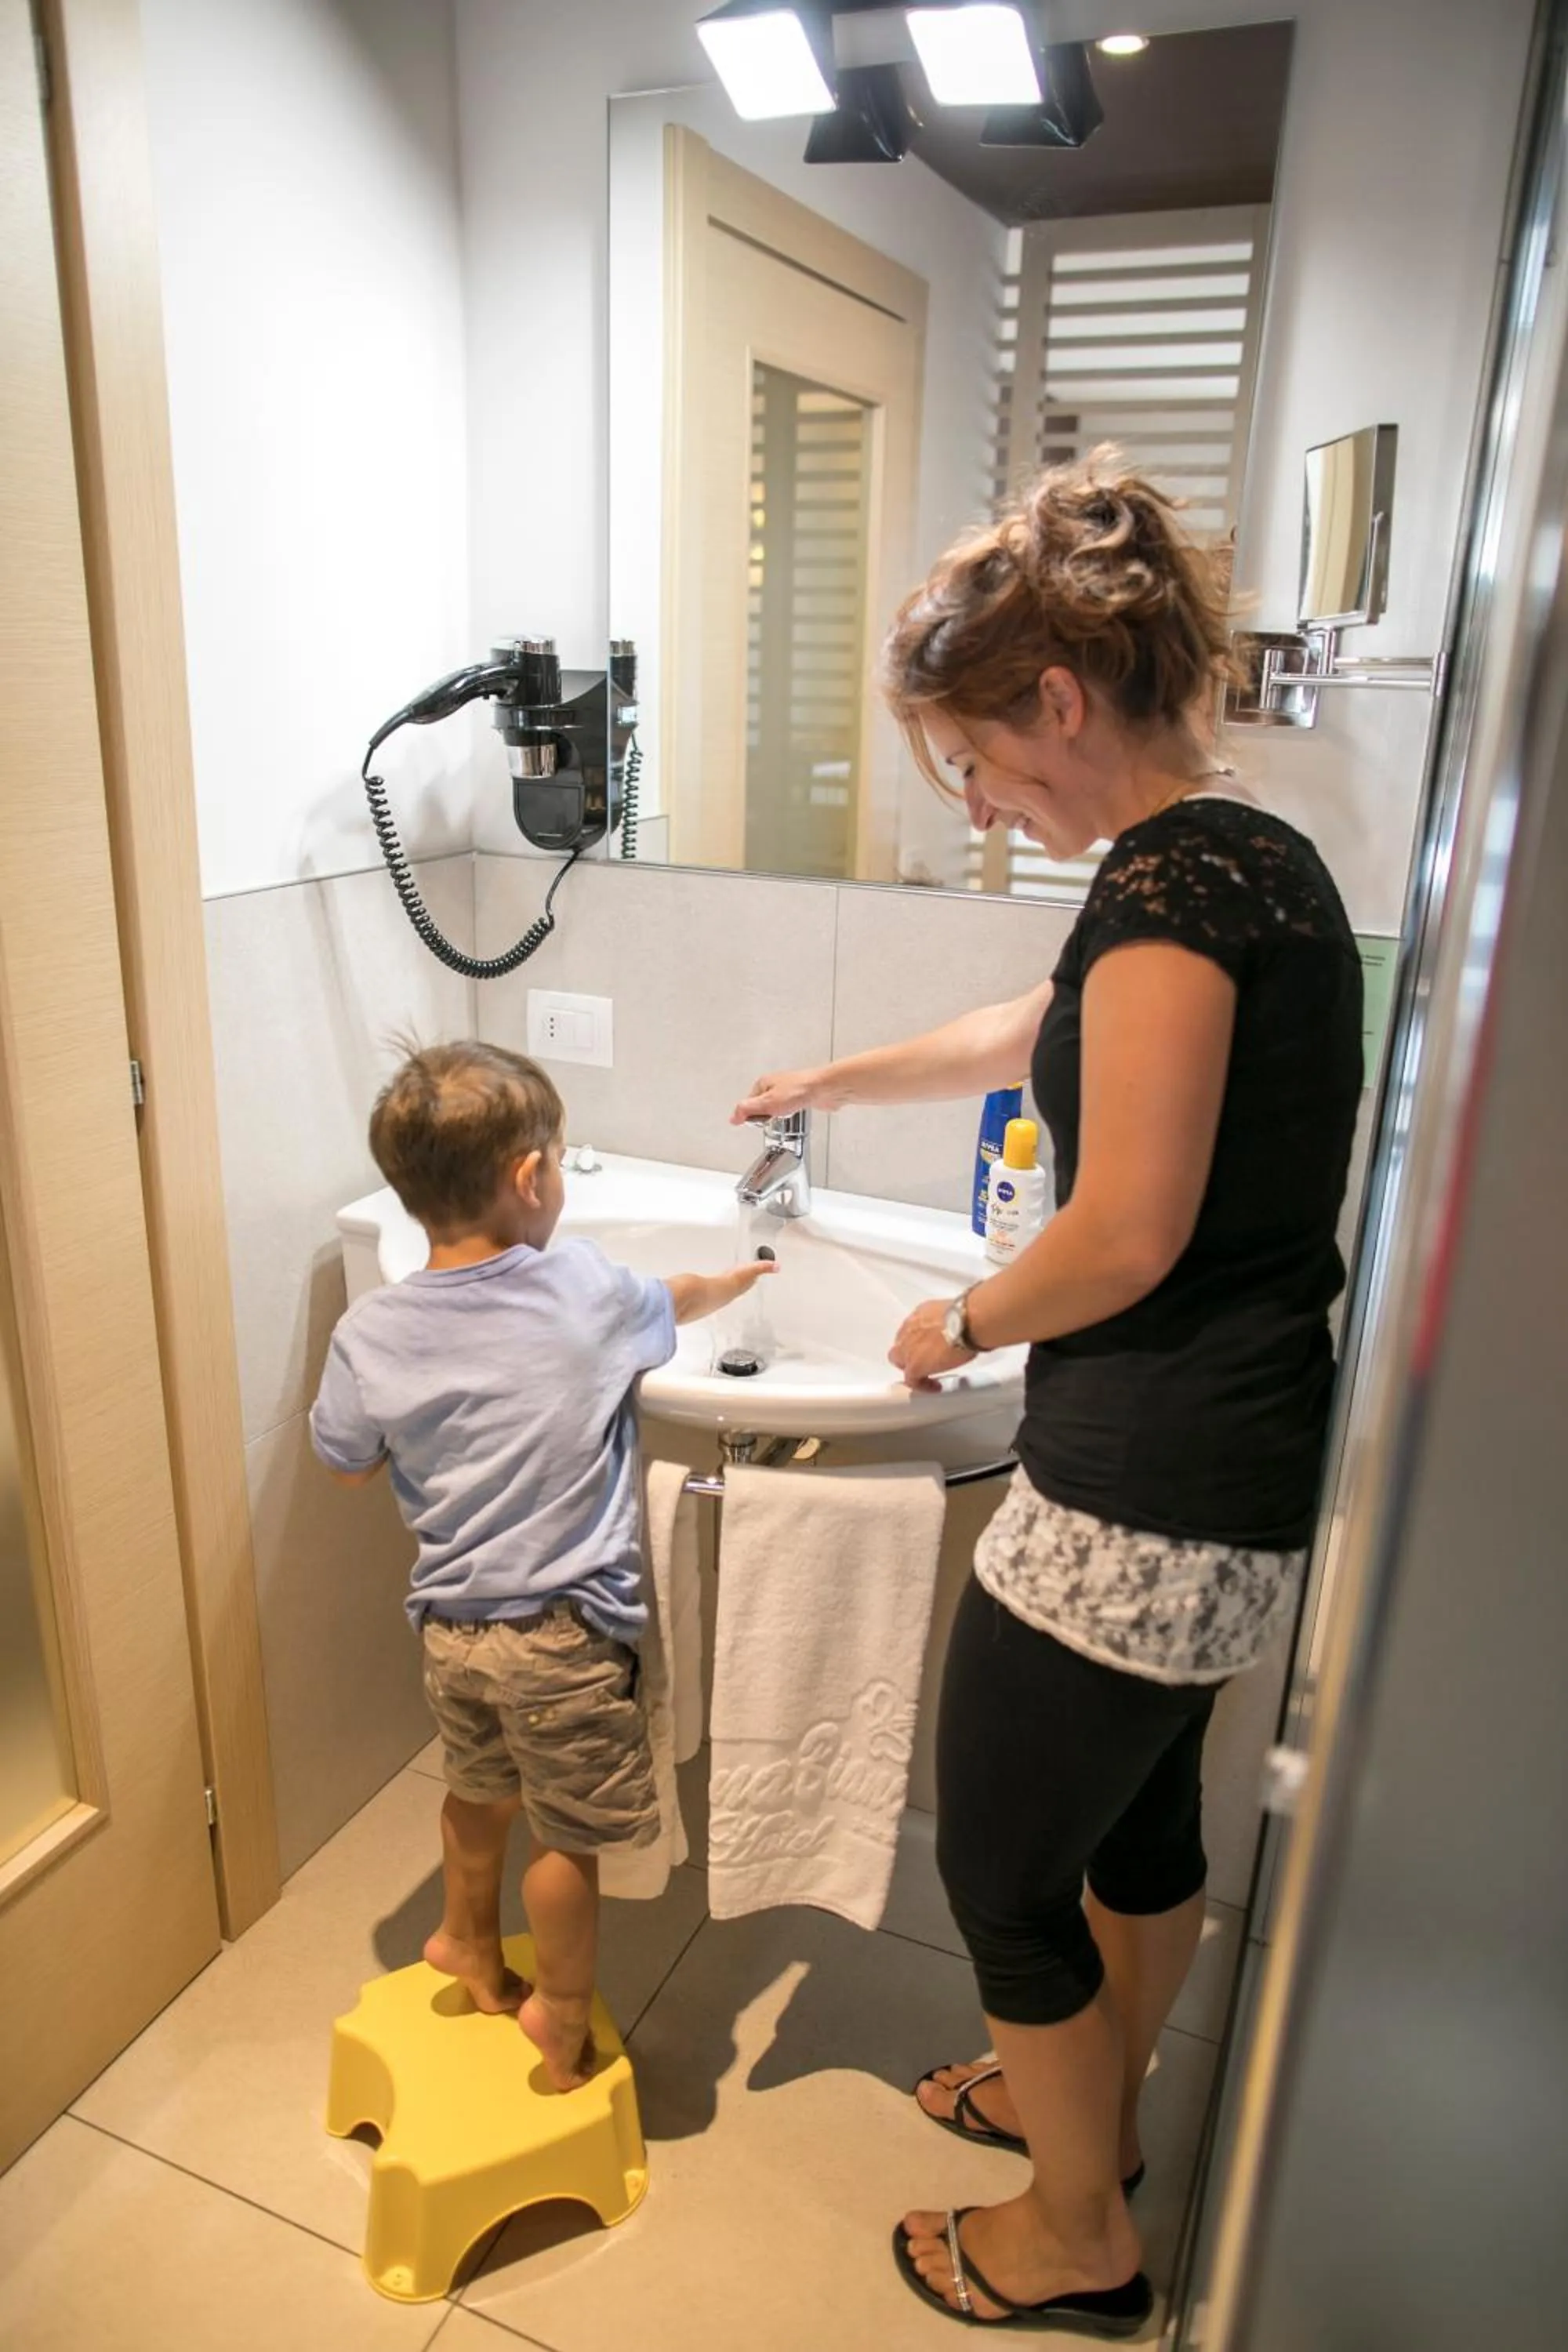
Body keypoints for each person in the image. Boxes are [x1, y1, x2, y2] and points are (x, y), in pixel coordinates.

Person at [735, 454, 1362, 2330]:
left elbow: (1127, 1231)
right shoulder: (1230, 858)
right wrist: (830, 1085)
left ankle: (1075, 2238)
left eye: (977, 760)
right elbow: (1033, 1029)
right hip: (1230, 1468)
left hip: (1143, 1480)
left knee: (1004, 1870)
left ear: (1058, 702)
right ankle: (1088, 2121)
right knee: (1144, 1828)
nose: (983, 800)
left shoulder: (1173, 889)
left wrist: (964, 1322)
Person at [311, 1041, 775, 2090]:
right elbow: (677, 1296)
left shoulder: (371, 1326)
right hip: (562, 1638)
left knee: (478, 1793)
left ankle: (464, 1941)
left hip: (450, 1629)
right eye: (558, 1162)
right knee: (570, 1838)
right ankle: (560, 2015)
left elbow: (343, 1466)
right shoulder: (583, 1290)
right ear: (532, 1179)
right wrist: (732, 1281)